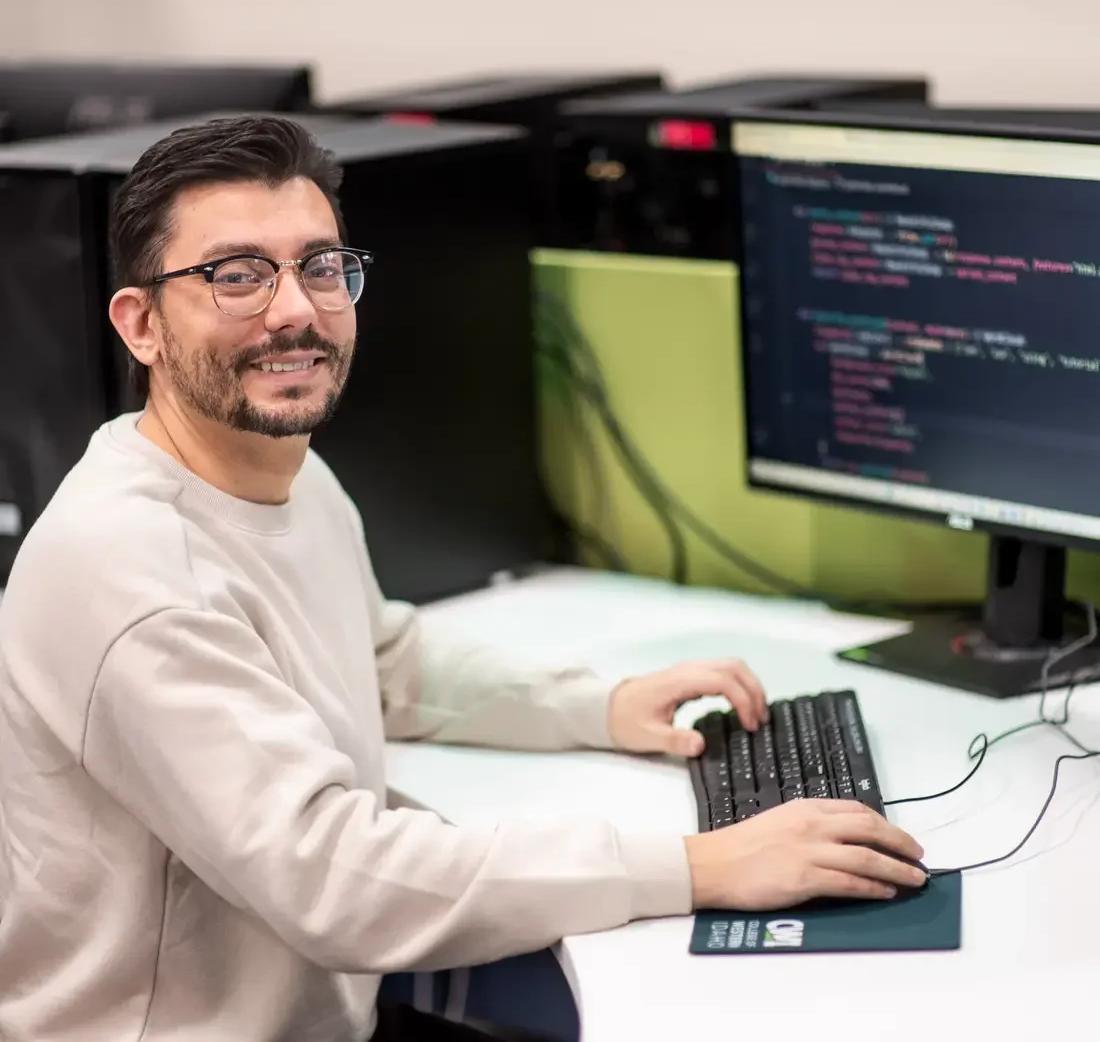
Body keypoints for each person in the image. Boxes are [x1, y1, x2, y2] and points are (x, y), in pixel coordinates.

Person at [0, 115, 926, 1042]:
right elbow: (335, 881)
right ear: (142, 325)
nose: (294, 308)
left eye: (320, 266)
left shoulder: (283, 474)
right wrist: (697, 868)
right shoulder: (133, 572)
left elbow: (383, 659)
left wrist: (597, 707)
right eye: (236, 275)